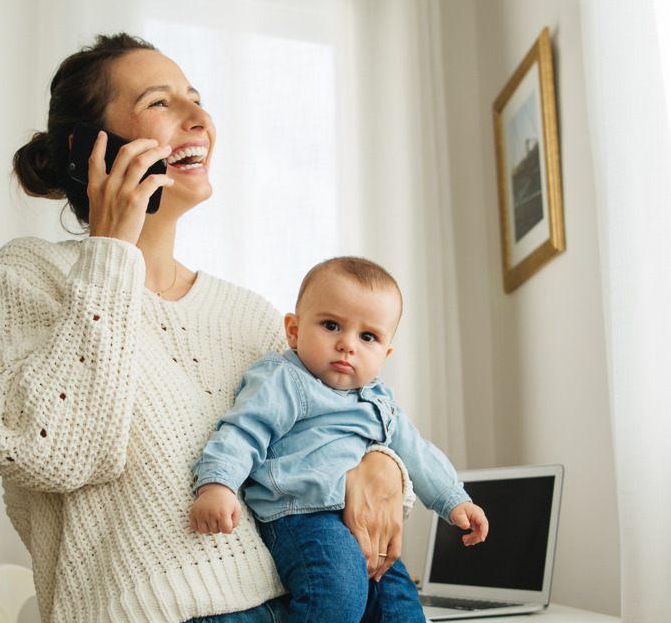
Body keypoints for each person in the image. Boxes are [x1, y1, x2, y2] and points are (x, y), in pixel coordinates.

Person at [0, 33, 415, 623]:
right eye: (161, 103)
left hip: (308, 602)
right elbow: (48, 452)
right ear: (89, 146)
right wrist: (111, 253)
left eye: (196, 98)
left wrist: (384, 463)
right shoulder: (29, 277)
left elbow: (329, 429)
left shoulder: (248, 315)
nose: (200, 118)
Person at [188, 257, 489, 622]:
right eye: (331, 326)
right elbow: (243, 430)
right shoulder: (286, 378)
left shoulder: (381, 402)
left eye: (368, 337)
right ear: (294, 330)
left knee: (402, 602)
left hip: (363, 522)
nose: (348, 345)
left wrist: (455, 501)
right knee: (337, 590)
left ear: (385, 353)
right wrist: (217, 485)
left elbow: (417, 452)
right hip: (300, 516)